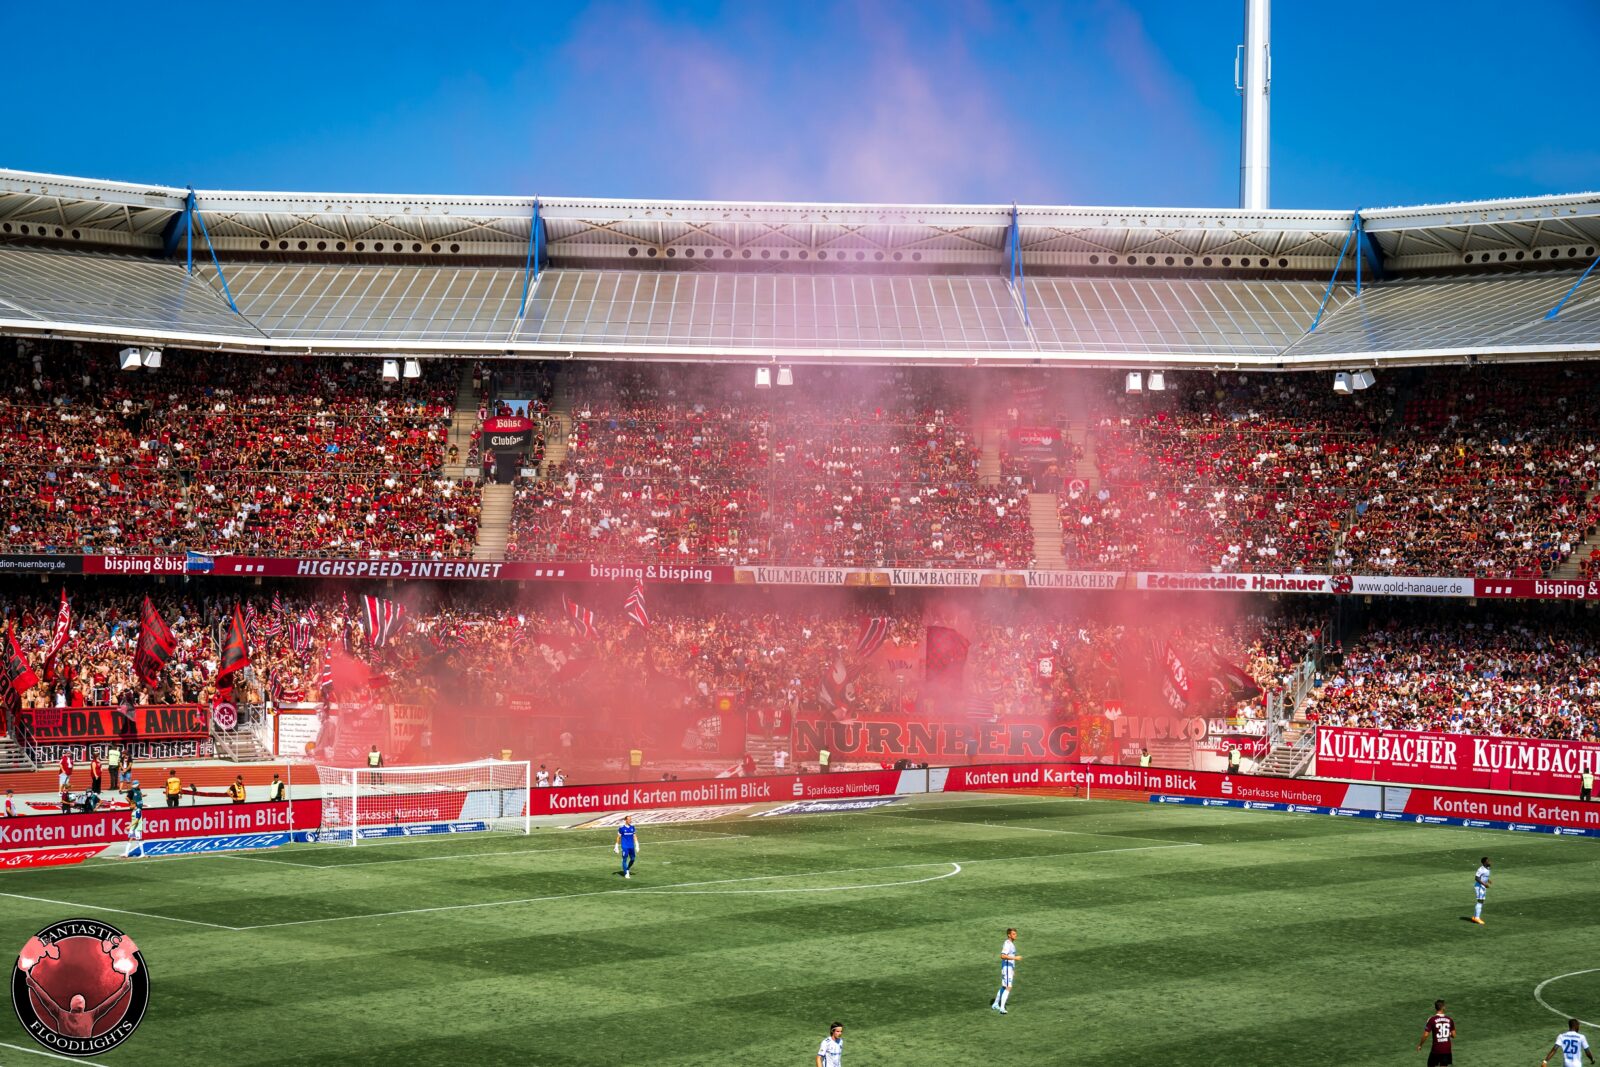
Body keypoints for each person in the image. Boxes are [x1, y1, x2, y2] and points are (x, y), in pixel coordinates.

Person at [1417, 999, 1455, 1066]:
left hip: (1436, 1049)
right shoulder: (1450, 1019)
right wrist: (1448, 1034)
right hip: (1447, 1049)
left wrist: (1420, 1045)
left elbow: (1426, 1035)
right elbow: (1454, 1035)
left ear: (1435, 1008)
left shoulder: (1432, 1019)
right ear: (1443, 1007)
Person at [991, 928, 1021, 1014]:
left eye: (1016, 934)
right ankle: (1002, 1008)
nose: (1016, 935)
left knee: (1004, 987)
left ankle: (995, 1004)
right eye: (1014, 934)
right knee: (1008, 987)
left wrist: (1013, 969)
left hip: (1009, 969)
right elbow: (1003, 956)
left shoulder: (1011, 944)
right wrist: (1015, 958)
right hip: (1007, 968)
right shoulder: (1007, 944)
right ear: (1009, 935)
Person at [123, 780, 145, 859]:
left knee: (138, 839)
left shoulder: (138, 810)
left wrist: (130, 826)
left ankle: (142, 853)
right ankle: (126, 853)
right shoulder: (134, 810)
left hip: (136, 827)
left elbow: (137, 820)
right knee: (130, 838)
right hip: (133, 826)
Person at [1471, 857, 1491, 925]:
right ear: (1484, 862)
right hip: (1479, 887)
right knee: (1480, 901)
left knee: (1481, 901)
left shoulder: (1487, 868)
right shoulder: (1481, 869)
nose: (1489, 862)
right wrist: (1484, 884)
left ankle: (1474, 917)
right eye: (1488, 861)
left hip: (1482, 886)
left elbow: (1484, 876)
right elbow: (1476, 878)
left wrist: (1488, 880)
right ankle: (1477, 918)